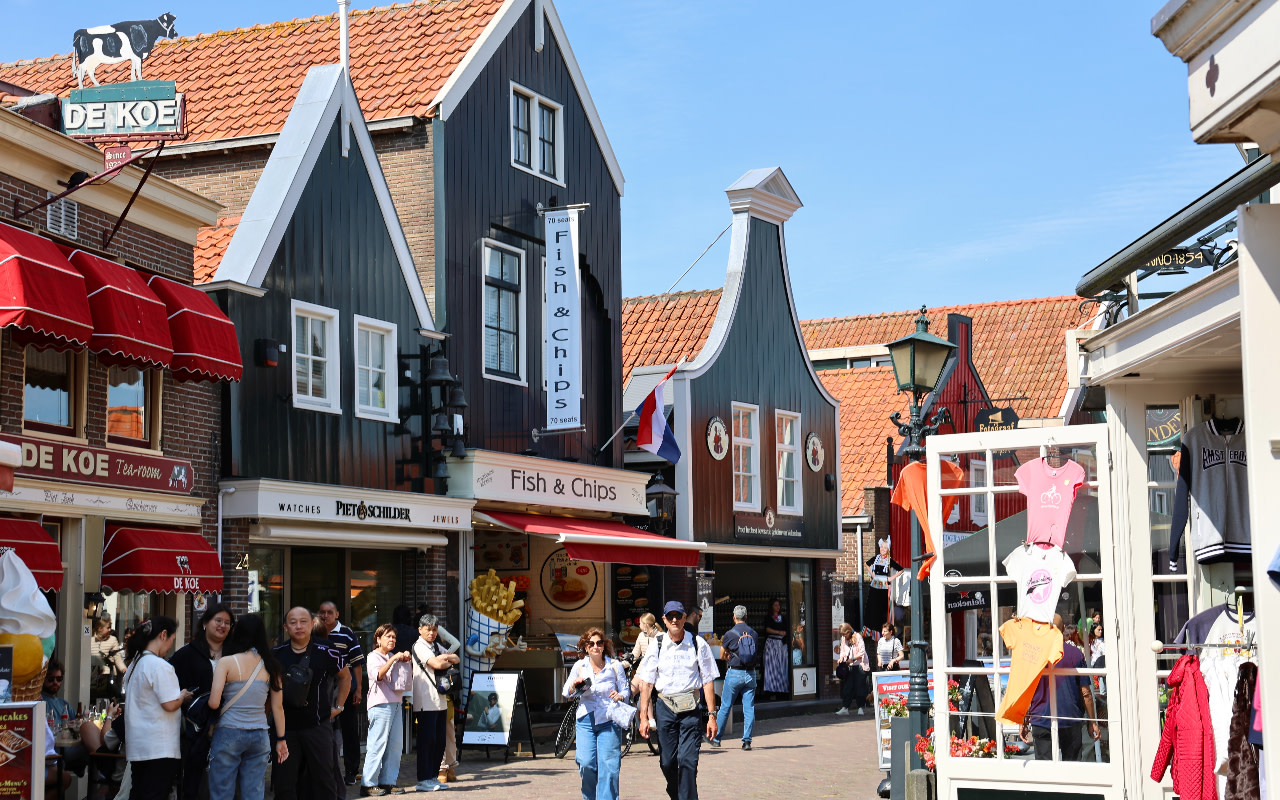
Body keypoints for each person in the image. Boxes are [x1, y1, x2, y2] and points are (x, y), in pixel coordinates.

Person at [637, 601, 719, 800]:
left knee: (688, 761)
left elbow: (707, 682)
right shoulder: (657, 645)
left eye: (678, 615)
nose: (674, 619)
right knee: (667, 762)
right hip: (665, 708)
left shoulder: (698, 644)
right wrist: (644, 718)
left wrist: (711, 716)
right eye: (670, 616)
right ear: (664, 620)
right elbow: (646, 684)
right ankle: (676, 792)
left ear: (684, 618)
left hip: (691, 709)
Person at [207, 614, 288, 800]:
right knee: (254, 792)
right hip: (259, 734)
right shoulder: (272, 666)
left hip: (229, 731)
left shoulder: (226, 662)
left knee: (222, 791)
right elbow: (278, 708)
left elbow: (213, 702)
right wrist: (281, 739)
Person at [272, 607, 349, 800]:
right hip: (286, 731)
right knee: (285, 785)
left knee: (324, 781)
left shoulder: (328, 650)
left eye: (303, 621)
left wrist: (338, 707)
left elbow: (345, 678)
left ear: (311, 623)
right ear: (285, 627)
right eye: (293, 622)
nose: (299, 626)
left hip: (318, 727)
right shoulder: (277, 655)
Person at [121, 616, 192, 800]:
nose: (170, 646)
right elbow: (169, 704)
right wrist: (182, 696)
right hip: (160, 746)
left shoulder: (135, 664)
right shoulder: (160, 666)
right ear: (163, 635)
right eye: (171, 640)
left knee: (138, 793)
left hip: (138, 745)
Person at [172, 602, 235, 800]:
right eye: (218, 620)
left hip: (229, 725)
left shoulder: (236, 653)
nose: (222, 626)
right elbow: (168, 682)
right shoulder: (187, 652)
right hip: (197, 729)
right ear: (205, 623)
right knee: (195, 779)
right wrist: (181, 697)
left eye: (227, 622)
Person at [1021, 614, 1100, 761]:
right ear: (1063, 629)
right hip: (1070, 718)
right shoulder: (1075, 654)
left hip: (1041, 718)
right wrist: (1092, 722)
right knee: (1072, 768)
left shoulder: (1033, 654)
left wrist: (1023, 721)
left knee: (1044, 772)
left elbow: (1027, 691)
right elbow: (1086, 693)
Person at [563, 627, 629, 800]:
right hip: (586, 719)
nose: (595, 646)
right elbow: (566, 692)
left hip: (609, 718)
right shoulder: (579, 666)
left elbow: (626, 690)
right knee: (586, 763)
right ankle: (589, 797)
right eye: (591, 643)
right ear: (585, 647)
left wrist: (620, 695)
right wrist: (574, 685)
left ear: (603, 645)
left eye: (599, 643)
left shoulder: (614, 666)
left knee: (609, 766)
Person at [409, 613, 460, 792]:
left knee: (439, 741)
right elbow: (436, 664)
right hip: (425, 700)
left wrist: (443, 659)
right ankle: (423, 779)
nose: (431, 633)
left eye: (434, 630)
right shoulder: (419, 646)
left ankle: (433, 776)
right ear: (420, 629)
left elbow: (456, 658)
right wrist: (445, 660)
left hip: (441, 700)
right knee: (426, 741)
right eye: (428, 629)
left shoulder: (435, 645)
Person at [317, 601, 365, 786]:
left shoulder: (346, 633)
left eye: (329, 612)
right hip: (322, 690)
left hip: (344, 688)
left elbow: (357, 663)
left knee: (349, 730)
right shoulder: (315, 632)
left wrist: (359, 689)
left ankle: (351, 771)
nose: (325, 616)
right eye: (322, 612)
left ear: (337, 614)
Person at [362, 624, 412, 796]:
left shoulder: (393, 656)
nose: (392, 640)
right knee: (377, 744)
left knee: (395, 745)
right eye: (388, 636)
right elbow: (378, 675)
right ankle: (368, 783)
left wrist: (404, 659)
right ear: (378, 639)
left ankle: (388, 781)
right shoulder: (373, 656)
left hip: (397, 703)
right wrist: (393, 659)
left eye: (394, 637)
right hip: (380, 705)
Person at [710, 605, 758, 749]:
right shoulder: (754, 634)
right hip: (750, 674)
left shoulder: (730, 634)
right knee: (749, 708)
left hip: (734, 673)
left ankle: (717, 739)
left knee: (726, 706)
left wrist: (729, 657)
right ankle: (747, 741)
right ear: (746, 617)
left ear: (734, 617)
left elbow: (721, 654)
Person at [835, 623, 870, 716]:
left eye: (844, 634)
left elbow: (862, 651)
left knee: (859, 686)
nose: (843, 636)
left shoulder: (858, 636)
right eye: (842, 635)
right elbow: (843, 650)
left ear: (849, 632)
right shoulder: (843, 639)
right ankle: (845, 708)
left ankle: (860, 707)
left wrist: (853, 659)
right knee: (848, 686)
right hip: (849, 665)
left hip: (859, 665)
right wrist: (841, 658)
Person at [90, 617, 127, 700]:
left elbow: (117, 657)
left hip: (106, 676)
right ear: (100, 629)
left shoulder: (113, 640)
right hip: (92, 676)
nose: (110, 630)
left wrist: (123, 669)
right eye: (108, 627)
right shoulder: (90, 640)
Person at [762, 599, 789, 699]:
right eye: (775, 605)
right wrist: (779, 632)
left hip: (782, 644)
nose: (778, 607)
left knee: (782, 666)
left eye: (779, 605)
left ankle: (782, 690)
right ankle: (771, 691)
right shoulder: (768, 618)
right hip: (771, 643)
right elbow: (767, 629)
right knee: (771, 667)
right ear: (771, 607)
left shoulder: (784, 618)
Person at [629, 613, 659, 695]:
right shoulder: (641, 636)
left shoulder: (661, 636)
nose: (639, 626)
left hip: (657, 672)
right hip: (642, 671)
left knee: (645, 690)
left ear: (645, 625)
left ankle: (644, 707)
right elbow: (635, 654)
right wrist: (622, 664)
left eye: (640, 624)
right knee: (630, 692)